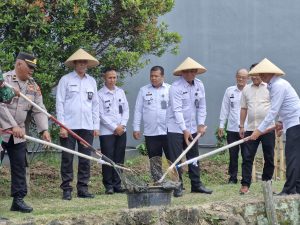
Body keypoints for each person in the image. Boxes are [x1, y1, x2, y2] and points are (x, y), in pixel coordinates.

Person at [0, 52, 51, 213]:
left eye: (33, 68)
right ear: (19, 64)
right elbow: (1, 106)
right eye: (29, 67)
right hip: (2, 129)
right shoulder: (5, 80)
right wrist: (12, 125)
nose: (32, 71)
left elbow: (39, 109)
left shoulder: (33, 86)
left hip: (19, 133)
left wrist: (44, 130)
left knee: (19, 166)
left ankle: (18, 200)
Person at [249, 58, 300, 196]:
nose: (261, 76)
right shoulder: (273, 85)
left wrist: (258, 131)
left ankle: (290, 189)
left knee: (292, 157)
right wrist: (280, 122)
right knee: (295, 156)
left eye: (264, 73)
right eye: (261, 73)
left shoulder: (278, 85)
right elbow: (286, 106)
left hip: (296, 122)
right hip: (292, 122)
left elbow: (273, 111)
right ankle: (296, 188)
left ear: (270, 73)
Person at [56, 49, 100, 200]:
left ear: (87, 64)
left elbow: (95, 105)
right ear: (75, 64)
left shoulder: (92, 81)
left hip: (87, 126)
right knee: (67, 157)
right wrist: (62, 125)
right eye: (79, 62)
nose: (82, 64)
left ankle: (83, 188)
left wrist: (96, 126)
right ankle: (67, 189)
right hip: (68, 126)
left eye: (84, 62)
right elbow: (60, 103)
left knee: (85, 158)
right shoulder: (66, 79)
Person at [167, 57, 212, 197]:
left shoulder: (199, 85)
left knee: (193, 156)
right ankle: (177, 185)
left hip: (193, 127)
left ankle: (196, 184)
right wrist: (184, 130)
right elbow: (177, 110)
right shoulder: (176, 87)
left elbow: (202, 106)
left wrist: (200, 124)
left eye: (193, 71)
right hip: (176, 127)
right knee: (176, 158)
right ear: (182, 73)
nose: (190, 74)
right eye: (187, 72)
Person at [239, 63, 275, 194]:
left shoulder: (270, 88)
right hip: (251, 129)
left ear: (262, 73)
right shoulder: (246, 89)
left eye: (257, 74)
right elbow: (243, 108)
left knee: (269, 156)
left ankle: (267, 183)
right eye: (252, 74)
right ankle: (245, 185)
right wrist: (241, 125)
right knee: (247, 157)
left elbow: (277, 106)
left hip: (268, 129)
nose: (254, 77)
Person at [132, 66, 170, 181]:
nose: (153, 78)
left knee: (172, 159)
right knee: (154, 160)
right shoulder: (144, 90)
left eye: (156, 76)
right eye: (151, 76)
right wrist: (136, 128)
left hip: (168, 131)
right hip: (151, 132)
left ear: (163, 76)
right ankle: (158, 182)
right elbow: (138, 110)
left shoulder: (170, 89)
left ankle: (177, 184)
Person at [98, 68, 129, 194]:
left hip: (121, 130)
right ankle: (109, 185)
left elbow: (126, 110)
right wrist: (114, 127)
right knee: (108, 158)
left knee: (119, 157)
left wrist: (122, 125)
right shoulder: (100, 94)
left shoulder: (120, 92)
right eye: (110, 78)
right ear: (104, 78)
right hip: (107, 132)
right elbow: (100, 114)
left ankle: (118, 184)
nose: (112, 80)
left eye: (114, 77)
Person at [218, 68, 248, 184]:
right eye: (239, 76)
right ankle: (232, 178)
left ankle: (246, 178)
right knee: (233, 155)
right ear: (236, 77)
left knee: (246, 155)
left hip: (247, 129)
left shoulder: (250, 91)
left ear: (248, 78)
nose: (241, 79)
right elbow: (225, 108)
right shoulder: (229, 91)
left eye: (243, 77)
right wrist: (221, 125)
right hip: (232, 128)